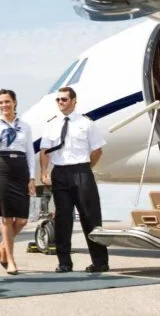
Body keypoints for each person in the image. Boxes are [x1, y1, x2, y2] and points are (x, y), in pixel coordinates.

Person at [40, 87, 109, 273]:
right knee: (62, 219)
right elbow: (45, 151)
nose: (60, 103)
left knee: (90, 217)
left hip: (82, 171)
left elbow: (97, 151)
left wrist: (86, 168)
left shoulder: (86, 124)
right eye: (58, 100)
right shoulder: (51, 125)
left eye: (64, 99)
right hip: (60, 173)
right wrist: (44, 172)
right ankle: (64, 262)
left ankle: (100, 262)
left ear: (73, 101)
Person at [0, 89, 36, 275]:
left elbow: (30, 153)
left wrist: (32, 177)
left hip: (21, 168)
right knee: (7, 218)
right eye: (1, 102)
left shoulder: (25, 126)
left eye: (7, 102)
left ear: (15, 102)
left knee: (22, 220)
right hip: (2, 168)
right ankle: (10, 260)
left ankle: (3, 244)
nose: (4, 105)